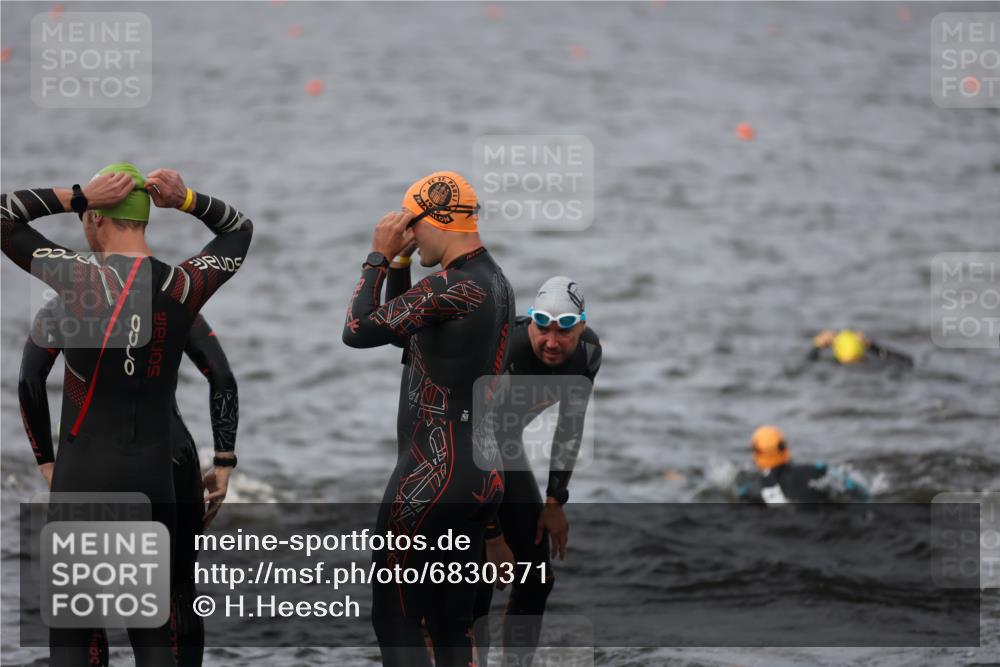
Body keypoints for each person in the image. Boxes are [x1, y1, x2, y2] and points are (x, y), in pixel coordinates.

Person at [1, 163, 252, 666]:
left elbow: (4, 214)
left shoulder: (74, 279)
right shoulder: (184, 286)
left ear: (94, 219)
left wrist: (75, 195)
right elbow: (239, 229)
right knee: (155, 637)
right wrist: (186, 200)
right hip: (154, 480)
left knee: (73, 638)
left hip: (84, 477)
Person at [343, 170, 515, 667]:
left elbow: (358, 329)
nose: (408, 235)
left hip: (429, 479)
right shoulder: (492, 283)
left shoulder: (453, 286)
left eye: (411, 226)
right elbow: (404, 329)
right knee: (451, 623)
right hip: (476, 478)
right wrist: (400, 262)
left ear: (438, 218)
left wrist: (376, 256)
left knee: (395, 620)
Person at [19, 299, 239, 667]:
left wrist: (46, 461)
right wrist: (223, 460)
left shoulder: (63, 307)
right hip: (171, 461)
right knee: (175, 592)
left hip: (89, 464)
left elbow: (29, 379)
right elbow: (222, 376)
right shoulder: (175, 303)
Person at [471, 276, 602, 667]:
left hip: (504, 449)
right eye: (541, 327)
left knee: (536, 577)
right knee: (475, 578)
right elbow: (475, 439)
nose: (550, 342)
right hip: (456, 458)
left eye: (564, 332)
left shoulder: (589, 353)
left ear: (581, 326)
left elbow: (570, 424)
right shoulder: (504, 353)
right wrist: (493, 536)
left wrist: (554, 500)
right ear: (529, 321)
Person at [737, 425, 870, 504]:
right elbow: (854, 488)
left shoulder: (750, 489)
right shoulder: (815, 471)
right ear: (785, 448)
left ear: (757, 454)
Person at [808, 329, 913, 367]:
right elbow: (907, 361)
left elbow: (808, 365)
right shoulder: (875, 364)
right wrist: (872, 347)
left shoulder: (833, 367)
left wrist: (817, 347)